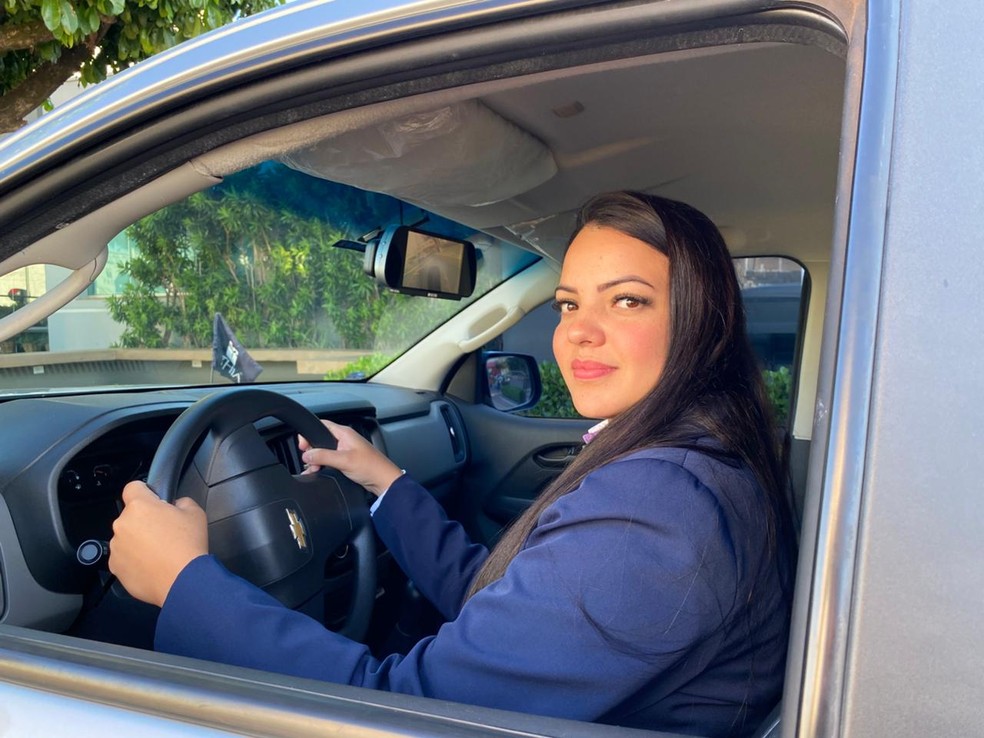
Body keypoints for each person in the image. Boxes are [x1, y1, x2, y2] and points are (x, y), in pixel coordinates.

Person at [109, 191, 796, 738]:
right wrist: (385, 481)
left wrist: (183, 580)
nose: (578, 331)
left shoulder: (657, 510)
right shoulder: (692, 460)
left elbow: (405, 713)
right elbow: (501, 603)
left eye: (626, 300)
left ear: (698, 318)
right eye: (568, 303)